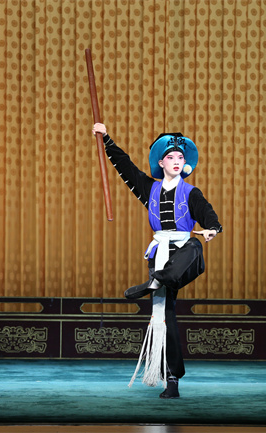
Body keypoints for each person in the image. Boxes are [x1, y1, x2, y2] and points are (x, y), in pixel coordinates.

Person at [92, 123, 222, 399]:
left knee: (194, 245)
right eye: (171, 157)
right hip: (160, 255)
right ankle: (171, 379)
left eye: (181, 158)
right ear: (161, 163)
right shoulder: (149, 189)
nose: (176, 161)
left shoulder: (191, 193)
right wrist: (106, 138)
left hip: (184, 257)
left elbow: (208, 214)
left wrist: (212, 228)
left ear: (185, 163)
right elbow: (126, 167)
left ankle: (155, 281)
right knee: (165, 315)